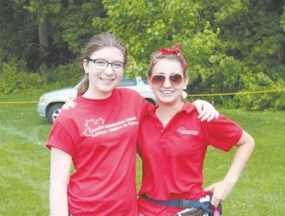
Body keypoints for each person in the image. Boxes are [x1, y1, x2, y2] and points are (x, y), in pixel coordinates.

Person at [46, 32, 219, 216]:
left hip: (128, 211)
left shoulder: (132, 100)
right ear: (86, 64)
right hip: (84, 211)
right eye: (101, 62)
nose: (109, 71)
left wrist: (197, 105)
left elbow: (169, 112)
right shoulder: (68, 117)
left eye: (116, 65)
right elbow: (58, 184)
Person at [137, 44, 255, 216]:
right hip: (145, 210)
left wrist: (228, 183)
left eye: (175, 78)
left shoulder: (201, 116)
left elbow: (247, 142)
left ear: (185, 81)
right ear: (149, 81)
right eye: (159, 78)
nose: (167, 84)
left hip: (189, 210)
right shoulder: (140, 118)